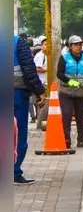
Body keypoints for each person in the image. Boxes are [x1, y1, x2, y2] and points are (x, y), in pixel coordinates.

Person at [14, 33, 47, 184]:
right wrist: (39, 91)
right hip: (16, 94)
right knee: (17, 134)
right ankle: (14, 172)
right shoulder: (18, 43)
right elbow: (29, 70)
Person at [56, 35, 83, 148]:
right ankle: (67, 140)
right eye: (75, 44)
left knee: (81, 117)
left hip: (82, 93)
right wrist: (70, 82)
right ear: (70, 46)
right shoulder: (64, 57)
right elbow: (59, 74)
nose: (78, 46)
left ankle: (81, 140)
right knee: (67, 115)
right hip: (66, 92)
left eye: (80, 44)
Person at [33, 36, 50, 130]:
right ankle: (40, 124)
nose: (47, 46)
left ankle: (44, 123)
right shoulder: (40, 56)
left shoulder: (48, 56)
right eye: (45, 44)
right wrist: (48, 69)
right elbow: (36, 68)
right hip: (42, 83)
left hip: (47, 83)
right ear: (42, 46)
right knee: (42, 104)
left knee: (45, 105)